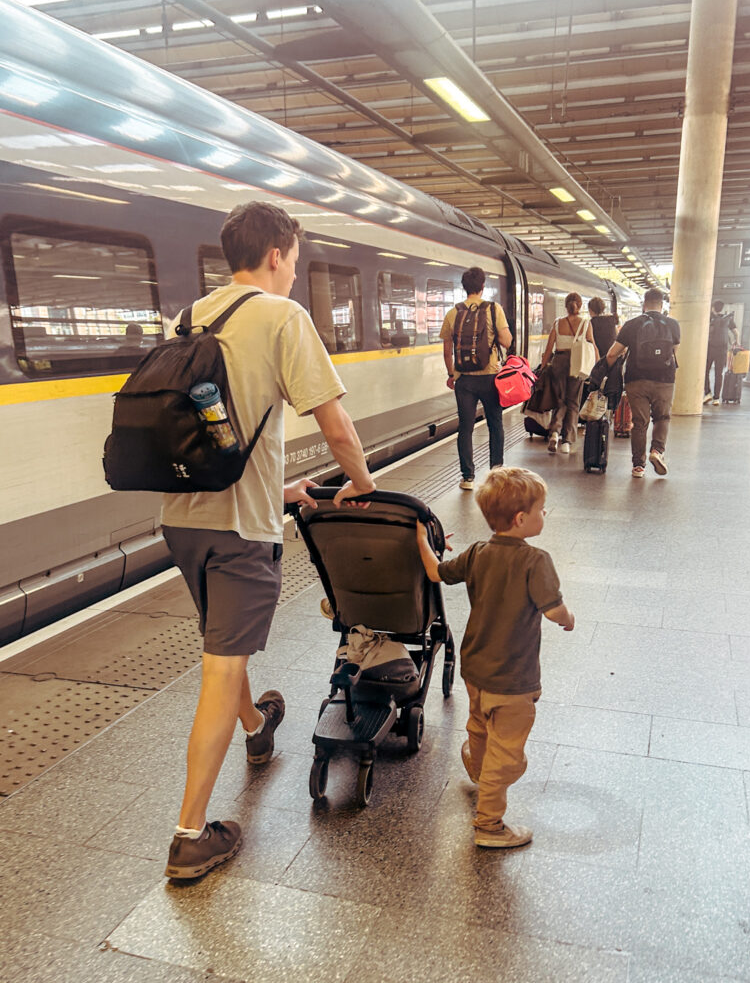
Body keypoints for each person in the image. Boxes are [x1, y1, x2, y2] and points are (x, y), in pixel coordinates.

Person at [161, 201, 376, 879]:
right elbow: (336, 428)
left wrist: (276, 488)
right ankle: (191, 834)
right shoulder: (285, 316)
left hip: (183, 518)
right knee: (221, 665)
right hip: (236, 533)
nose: (293, 271)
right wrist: (361, 482)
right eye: (295, 259)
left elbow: (212, 427)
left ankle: (257, 730)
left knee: (223, 639)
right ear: (279, 254)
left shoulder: (188, 317)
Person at [416, 467, 574, 848]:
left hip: (475, 670)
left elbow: (436, 572)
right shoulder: (536, 561)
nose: (544, 515)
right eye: (542, 510)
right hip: (514, 679)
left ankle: (477, 762)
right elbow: (554, 611)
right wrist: (568, 620)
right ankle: (489, 826)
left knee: (479, 724)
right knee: (509, 758)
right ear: (522, 519)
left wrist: (422, 538)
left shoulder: (476, 553)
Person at [440, 267, 512, 490]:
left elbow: (446, 349)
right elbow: (507, 341)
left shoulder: (453, 313)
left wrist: (452, 374)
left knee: (466, 427)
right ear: (482, 287)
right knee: (495, 424)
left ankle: (467, 477)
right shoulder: (493, 309)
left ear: (464, 287)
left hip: (464, 380)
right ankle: (496, 472)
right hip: (490, 376)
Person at [604, 287, 680, 478]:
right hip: (664, 380)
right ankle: (657, 451)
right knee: (662, 417)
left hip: (636, 380)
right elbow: (673, 352)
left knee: (639, 422)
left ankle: (638, 466)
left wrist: (607, 371)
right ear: (662, 305)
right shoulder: (672, 324)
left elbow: (613, 353)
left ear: (644, 304)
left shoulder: (632, 324)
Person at [540, 293, 599, 454]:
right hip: (577, 363)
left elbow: (549, 348)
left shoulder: (558, 323)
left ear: (566, 306)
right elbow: (592, 346)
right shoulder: (585, 324)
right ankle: (567, 441)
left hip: (559, 362)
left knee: (559, 399)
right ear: (579, 306)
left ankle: (554, 432)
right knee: (573, 402)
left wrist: (542, 367)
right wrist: (597, 367)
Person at [703, 300, 738, 406]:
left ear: (713, 307)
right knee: (719, 374)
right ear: (722, 308)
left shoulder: (709, 317)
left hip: (710, 348)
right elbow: (736, 332)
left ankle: (707, 393)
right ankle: (716, 398)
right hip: (722, 349)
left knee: (705, 371)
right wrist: (736, 342)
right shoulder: (728, 318)